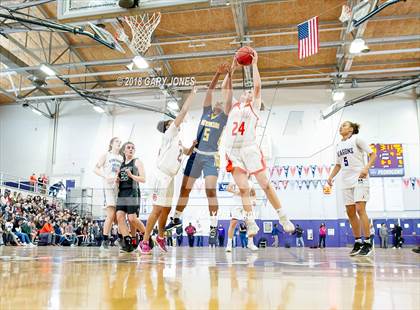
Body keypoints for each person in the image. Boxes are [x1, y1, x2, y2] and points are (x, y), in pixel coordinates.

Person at [224, 50, 295, 241]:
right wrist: (232, 68)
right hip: (233, 151)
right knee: (244, 189)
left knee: (265, 184)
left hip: (249, 148)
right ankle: (250, 221)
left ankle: (283, 217)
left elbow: (257, 86)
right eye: (244, 92)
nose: (247, 93)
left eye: (248, 93)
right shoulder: (232, 107)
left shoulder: (253, 108)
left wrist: (254, 64)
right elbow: (225, 89)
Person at [165, 64, 231, 231]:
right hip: (196, 154)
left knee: (210, 191)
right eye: (218, 101)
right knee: (184, 190)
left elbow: (229, 97)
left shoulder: (223, 118)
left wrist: (230, 75)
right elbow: (210, 91)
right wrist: (217, 72)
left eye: (222, 103)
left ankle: (214, 226)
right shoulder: (206, 112)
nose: (219, 102)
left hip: (211, 156)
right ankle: (176, 218)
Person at [139, 87, 197, 255]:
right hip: (161, 176)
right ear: (167, 126)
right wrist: (192, 93)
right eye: (171, 121)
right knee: (157, 209)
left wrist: (193, 145)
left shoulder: (177, 140)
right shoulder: (169, 134)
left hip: (170, 177)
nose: (175, 121)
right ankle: (144, 240)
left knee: (166, 210)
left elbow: (186, 152)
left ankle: (161, 236)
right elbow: (184, 111)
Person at [327, 121, 377, 256]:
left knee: (360, 209)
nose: (341, 127)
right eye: (341, 125)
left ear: (351, 129)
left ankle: (367, 242)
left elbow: (373, 154)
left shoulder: (357, 140)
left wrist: (366, 168)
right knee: (350, 212)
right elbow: (338, 165)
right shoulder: (338, 145)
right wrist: (330, 177)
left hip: (360, 178)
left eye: (344, 125)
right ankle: (358, 242)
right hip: (345, 180)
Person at [115, 141, 146, 252]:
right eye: (128, 147)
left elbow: (143, 179)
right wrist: (117, 180)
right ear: (124, 150)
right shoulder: (121, 165)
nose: (131, 149)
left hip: (133, 192)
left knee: (132, 219)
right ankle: (127, 242)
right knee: (119, 217)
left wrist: (131, 175)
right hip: (122, 193)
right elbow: (119, 181)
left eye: (133, 147)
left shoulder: (137, 162)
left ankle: (147, 237)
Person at [94, 137, 123, 250]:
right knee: (111, 215)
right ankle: (105, 240)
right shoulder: (106, 155)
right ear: (111, 144)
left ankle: (120, 239)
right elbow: (95, 169)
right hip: (108, 187)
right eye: (117, 141)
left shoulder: (121, 158)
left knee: (120, 216)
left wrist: (119, 179)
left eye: (120, 142)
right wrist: (106, 176)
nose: (119, 143)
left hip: (119, 187)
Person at [225, 180, 258, 252]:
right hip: (236, 203)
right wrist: (236, 192)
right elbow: (228, 188)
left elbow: (254, 194)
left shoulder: (250, 182)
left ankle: (250, 243)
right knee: (233, 223)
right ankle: (229, 245)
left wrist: (254, 200)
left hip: (246, 203)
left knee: (250, 223)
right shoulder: (235, 179)